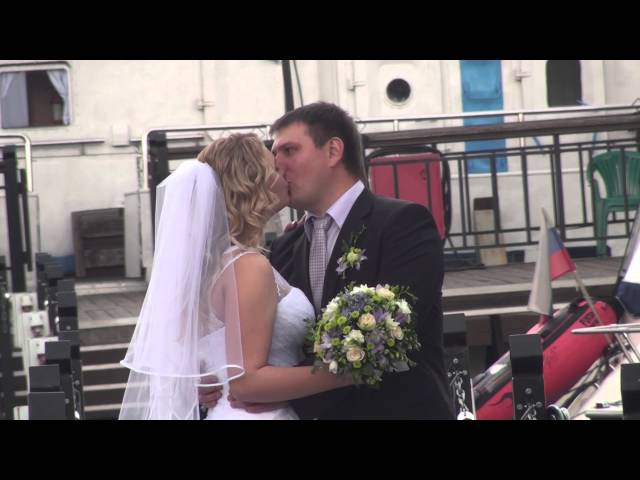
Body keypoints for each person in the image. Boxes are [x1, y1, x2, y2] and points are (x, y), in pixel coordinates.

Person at [202, 102, 454, 420]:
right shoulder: (284, 247)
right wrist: (211, 376)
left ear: (333, 151)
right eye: (274, 154)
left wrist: (276, 393)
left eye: (289, 150)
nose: (277, 165)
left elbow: (396, 332)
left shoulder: (402, 224)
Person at [119, 133, 350, 420]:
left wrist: (202, 378)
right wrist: (347, 372)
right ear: (252, 184)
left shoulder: (210, 265)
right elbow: (246, 383)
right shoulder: (247, 265)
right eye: (274, 169)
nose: (284, 174)